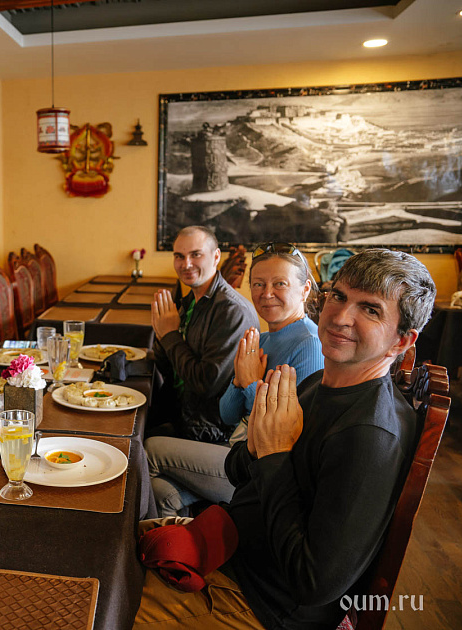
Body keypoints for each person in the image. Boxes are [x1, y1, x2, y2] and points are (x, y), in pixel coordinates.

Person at [134, 248, 436, 629]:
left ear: (401, 341)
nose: (340, 317)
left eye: (371, 310)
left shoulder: (370, 435)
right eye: (339, 296)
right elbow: (238, 469)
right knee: (113, 533)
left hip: (258, 605)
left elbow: (313, 583)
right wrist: (260, 447)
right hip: (226, 546)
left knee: (98, 601)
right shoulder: (316, 383)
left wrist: (273, 455)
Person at [146, 243, 325, 516]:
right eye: (258, 284)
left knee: (150, 447)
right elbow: (227, 413)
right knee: (161, 491)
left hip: (267, 472)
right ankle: (186, 543)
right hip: (238, 451)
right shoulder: (263, 339)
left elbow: (286, 437)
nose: (266, 294)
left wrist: (251, 383)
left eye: (280, 284)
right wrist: (240, 380)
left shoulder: (309, 344)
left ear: (305, 289)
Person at [150, 226, 259, 442]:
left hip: (208, 431)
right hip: (178, 412)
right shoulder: (192, 300)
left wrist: (170, 335)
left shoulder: (232, 311)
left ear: (216, 256)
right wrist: (161, 334)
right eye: (179, 256)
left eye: (196, 255)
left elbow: (205, 384)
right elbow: (168, 367)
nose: (186, 264)